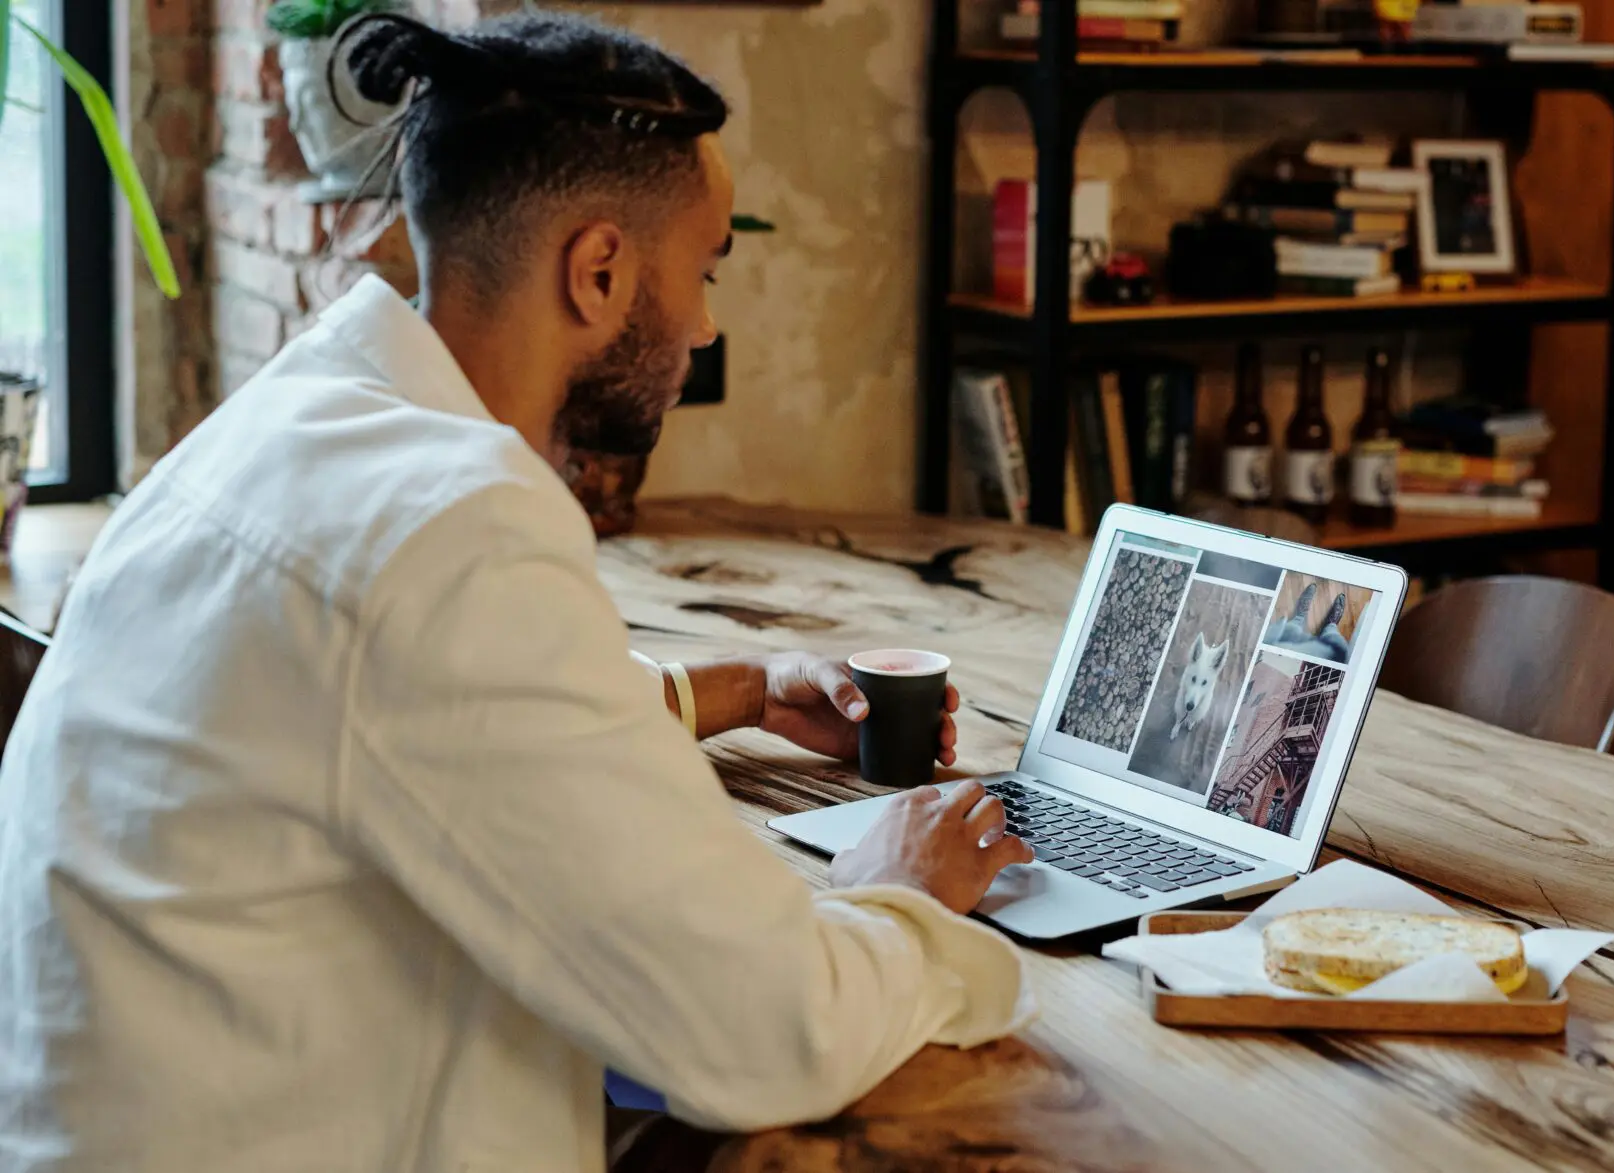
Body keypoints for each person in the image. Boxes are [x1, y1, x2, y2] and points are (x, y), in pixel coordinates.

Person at [0, 12, 1035, 1172]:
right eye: (702, 273)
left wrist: (732, 691)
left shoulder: (295, 423)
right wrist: (900, 897)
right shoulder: (452, 526)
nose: (704, 325)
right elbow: (767, 1033)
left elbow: (401, 717)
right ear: (599, 272)